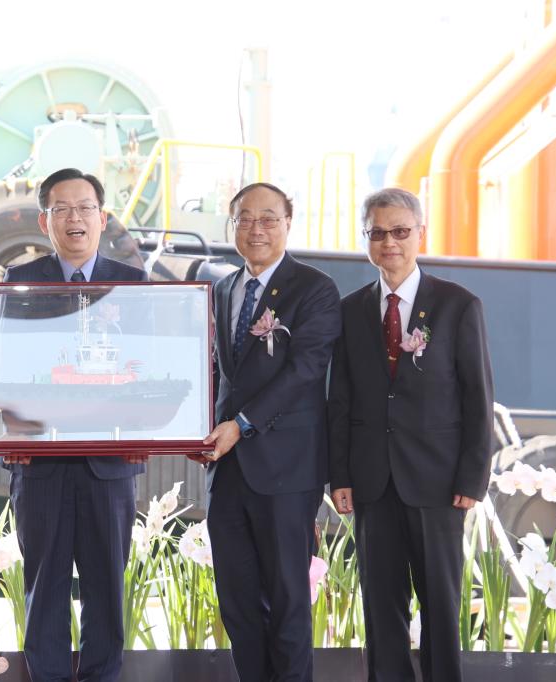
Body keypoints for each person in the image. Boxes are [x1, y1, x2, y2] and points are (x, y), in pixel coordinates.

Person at [328, 187, 493, 682]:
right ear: (366, 240)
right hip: (372, 482)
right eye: (377, 233)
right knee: (381, 608)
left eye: (400, 231)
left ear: (421, 233)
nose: (389, 243)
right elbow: (341, 399)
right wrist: (340, 475)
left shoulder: (458, 305)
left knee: (441, 606)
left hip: (438, 484)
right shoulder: (350, 310)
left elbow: (477, 397)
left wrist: (472, 478)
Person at [3, 168, 147, 682]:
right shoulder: (19, 282)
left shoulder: (134, 284)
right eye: (61, 209)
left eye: (85, 207)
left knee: (107, 591)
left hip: (109, 467)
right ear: (45, 222)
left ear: (103, 218)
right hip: (39, 465)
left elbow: (147, 367)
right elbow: (3, 367)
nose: (74, 218)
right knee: (44, 591)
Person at [199, 182, 340, 682]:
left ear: (288, 223)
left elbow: (305, 371)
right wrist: (195, 429)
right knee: (237, 604)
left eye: (268, 218)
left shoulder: (315, 288)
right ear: (232, 224)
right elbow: (219, 375)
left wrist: (240, 425)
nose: (255, 229)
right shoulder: (222, 289)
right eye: (245, 218)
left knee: (287, 603)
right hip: (226, 472)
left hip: (286, 472)